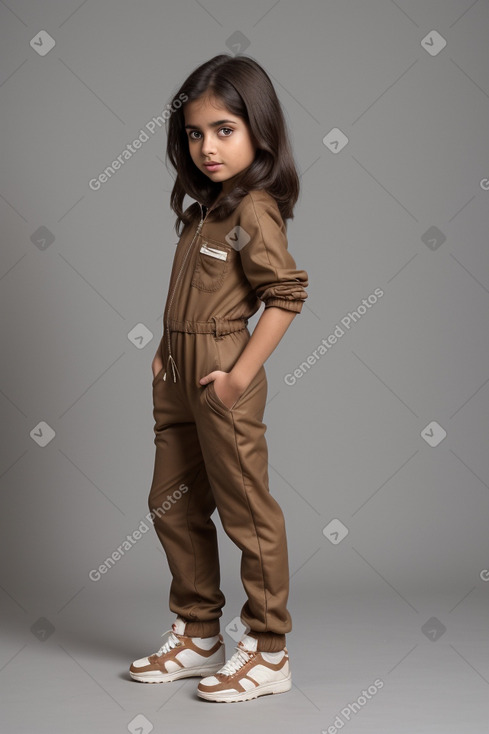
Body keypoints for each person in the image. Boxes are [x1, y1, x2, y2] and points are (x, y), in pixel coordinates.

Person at [129, 53, 309, 703]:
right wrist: (161, 348)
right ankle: (200, 633)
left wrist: (236, 378)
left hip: (219, 378)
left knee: (246, 514)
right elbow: (190, 292)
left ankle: (266, 649)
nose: (206, 146)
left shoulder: (253, 209)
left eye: (224, 130)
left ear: (259, 130)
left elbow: (284, 294)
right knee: (169, 504)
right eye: (194, 132)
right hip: (176, 376)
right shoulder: (205, 207)